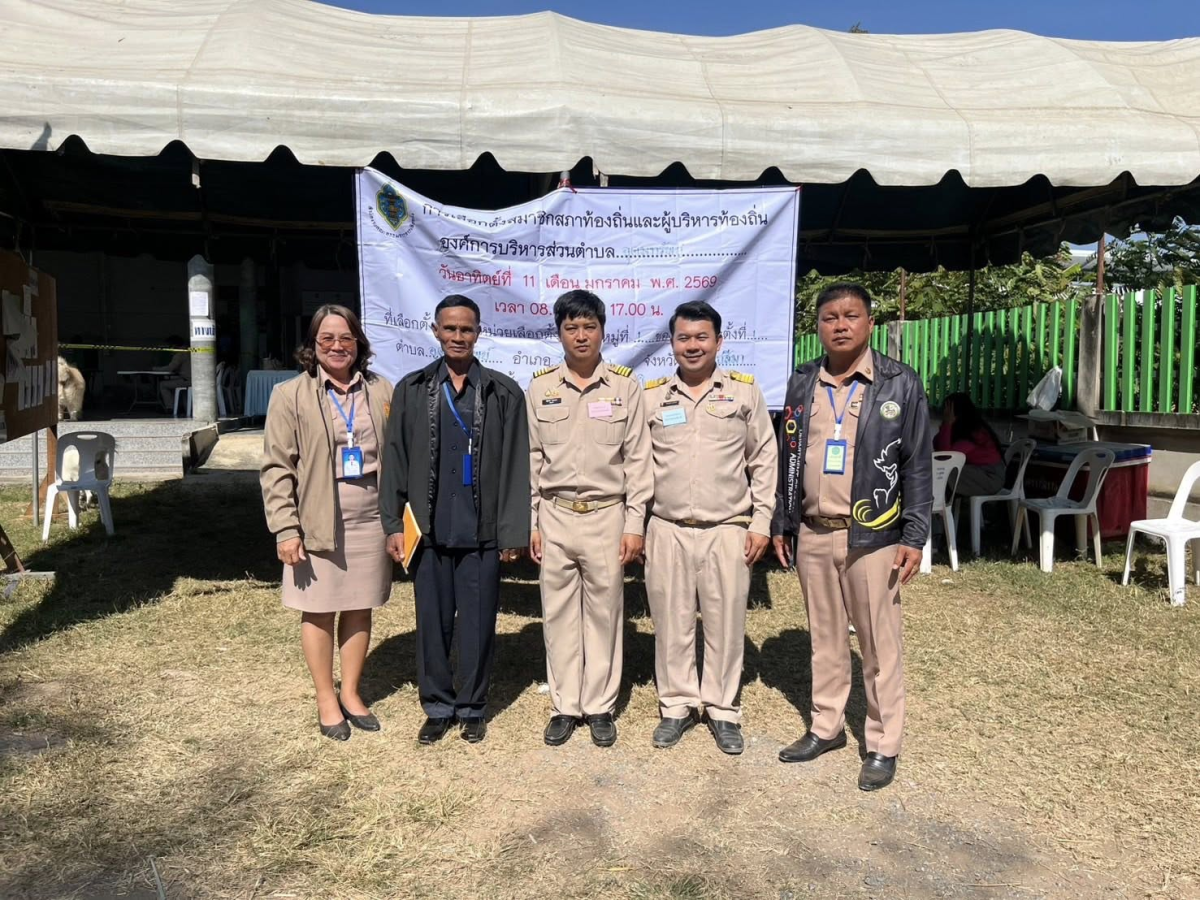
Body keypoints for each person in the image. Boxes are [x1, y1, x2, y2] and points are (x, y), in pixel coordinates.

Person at [771, 282, 932, 791]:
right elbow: (786, 457)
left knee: (880, 645)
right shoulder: (802, 383)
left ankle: (883, 744)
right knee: (825, 638)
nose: (840, 325)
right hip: (814, 532)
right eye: (829, 318)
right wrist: (784, 521)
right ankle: (827, 726)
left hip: (874, 535)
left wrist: (915, 533)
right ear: (816, 327)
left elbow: (917, 465)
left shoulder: (898, 383)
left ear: (869, 324)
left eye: (851, 316)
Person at [379, 295, 529, 746]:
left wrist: (511, 532)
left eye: (466, 329)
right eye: (450, 328)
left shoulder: (503, 392)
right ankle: (438, 705)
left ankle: (473, 706)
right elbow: (396, 460)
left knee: (479, 622)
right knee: (433, 622)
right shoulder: (412, 389)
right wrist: (393, 525)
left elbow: (516, 467)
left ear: (478, 333)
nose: (458, 337)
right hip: (428, 531)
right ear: (436, 331)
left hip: (481, 532)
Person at [642, 301, 776, 755]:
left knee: (725, 622)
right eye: (683, 338)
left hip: (728, 529)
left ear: (719, 342)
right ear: (672, 344)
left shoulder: (743, 393)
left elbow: (764, 459)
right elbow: (639, 466)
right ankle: (677, 705)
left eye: (702, 337)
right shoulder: (653, 396)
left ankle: (721, 709)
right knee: (671, 622)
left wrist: (761, 522)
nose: (692, 345)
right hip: (667, 527)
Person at [260, 304, 394, 741]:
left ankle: (351, 693)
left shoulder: (380, 390)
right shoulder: (290, 395)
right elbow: (277, 467)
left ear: (358, 344)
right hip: (317, 515)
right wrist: (286, 527)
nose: (337, 346)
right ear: (313, 346)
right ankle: (324, 696)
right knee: (318, 610)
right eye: (327, 339)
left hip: (369, 516)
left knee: (359, 606)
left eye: (345, 338)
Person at [527, 290, 652, 748]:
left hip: (606, 516)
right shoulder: (541, 389)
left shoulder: (624, 387)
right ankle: (565, 705)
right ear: (559, 332)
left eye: (589, 327)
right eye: (571, 327)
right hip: (556, 516)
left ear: (603, 330)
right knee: (557, 614)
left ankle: (599, 705)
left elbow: (639, 460)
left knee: (604, 614)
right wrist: (533, 521)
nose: (581, 336)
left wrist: (635, 524)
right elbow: (532, 459)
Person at [935, 392, 1006, 496]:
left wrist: (947, 424)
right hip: (979, 472)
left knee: (944, 472)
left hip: (990, 477)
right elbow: (936, 443)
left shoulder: (974, 433)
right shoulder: (960, 430)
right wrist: (945, 427)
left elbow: (945, 457)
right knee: (941, 470)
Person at [157, 334, 191, 411]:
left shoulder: (180, 354)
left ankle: (170, 408)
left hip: (188, 380)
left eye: (169, 346)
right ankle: (177, 406)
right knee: (169, 380)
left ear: (174, 345)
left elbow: (170, 368)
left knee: (163, 385)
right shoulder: (188, 351)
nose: (168, 348)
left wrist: (154, 369)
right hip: (189, 378)